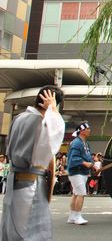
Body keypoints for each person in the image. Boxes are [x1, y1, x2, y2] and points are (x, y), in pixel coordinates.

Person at [1, 86, 65, 241]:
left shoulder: (20, 117)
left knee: (13, 228)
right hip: (30, 183)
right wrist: (52, 109)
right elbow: (57, 131)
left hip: (14, 179)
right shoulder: (41, 121)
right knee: (32, 230)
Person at [66, 121, 93, 224]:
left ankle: (72, 216)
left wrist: (91, 163)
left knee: (76, 194)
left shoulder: (85, 143)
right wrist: (85, 163)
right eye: (88, 129)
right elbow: (73, 158)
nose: (89, 130)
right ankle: (77, 217)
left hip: (81, 172)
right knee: (81, 193)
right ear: (82, 131)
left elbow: (88, 156)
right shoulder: (77, 143)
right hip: (77, 172)